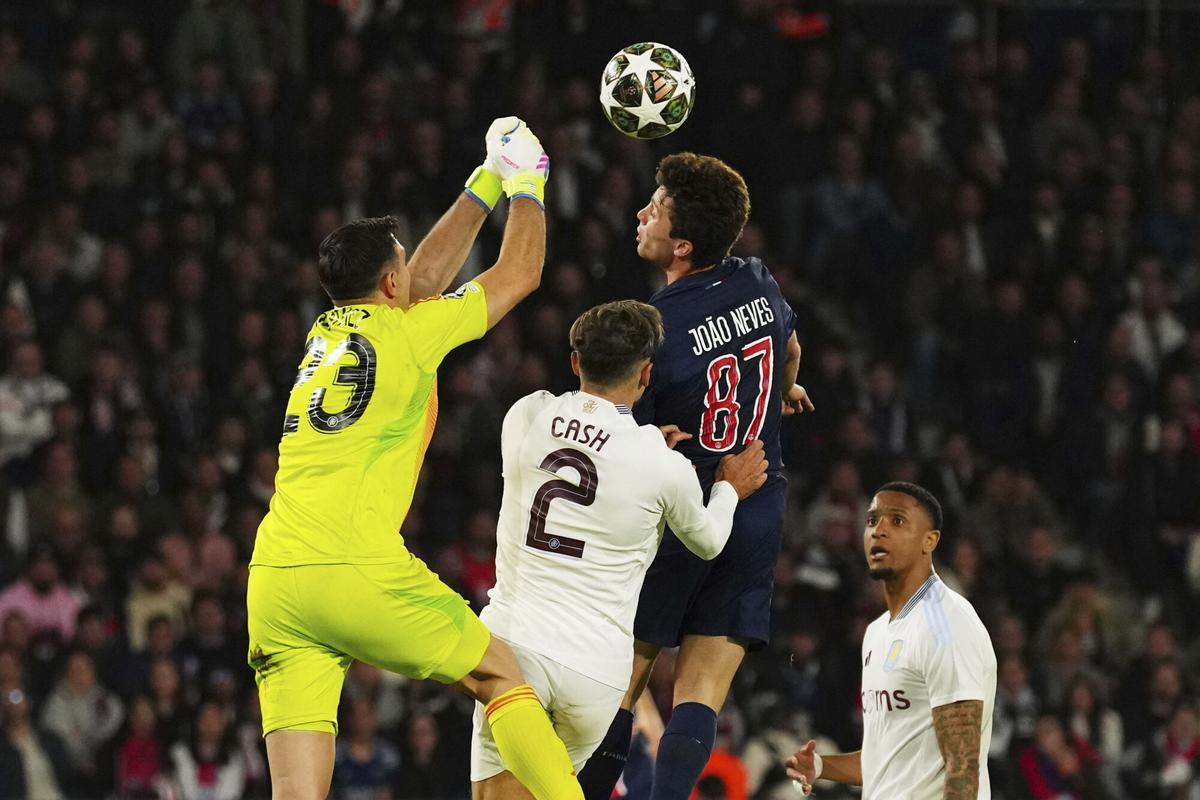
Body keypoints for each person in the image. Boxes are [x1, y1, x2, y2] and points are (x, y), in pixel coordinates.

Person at [245, 117, 584, 800]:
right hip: (352, 567)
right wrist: (528, 182)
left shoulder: (325, 332)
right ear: (391, 284)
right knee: (497, 674)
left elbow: (420, 278)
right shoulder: (409, 337)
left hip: (276, 581)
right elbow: (520, 271)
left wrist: (484, 180)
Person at [580, 153, 813, 800]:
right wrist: (787, 390)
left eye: (653, 209)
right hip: (758, 506)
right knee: (702, 693)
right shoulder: (760, 282)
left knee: (622, 683)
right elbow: (790, 349)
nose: (640, 214)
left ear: (680, 246)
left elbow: (634, 437)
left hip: (683, 518)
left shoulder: (654, 330)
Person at [470, 300, 769, 798]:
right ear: (647, 372)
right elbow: (709, 541)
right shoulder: (658, 463)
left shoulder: (526, 414)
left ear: (574, 360)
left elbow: (581, 460)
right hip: (595, 671)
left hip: (514, 649)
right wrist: (728, 491)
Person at [785, 482, 997, 799]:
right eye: (872, 521)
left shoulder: (947, 625)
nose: (879, 531)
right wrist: (821, 766)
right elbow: (885, 758)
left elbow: (962, 764)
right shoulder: (877, 633)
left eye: (897, 521)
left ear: (930, 541)